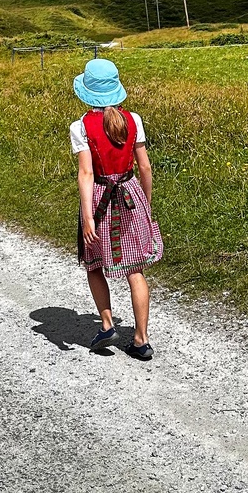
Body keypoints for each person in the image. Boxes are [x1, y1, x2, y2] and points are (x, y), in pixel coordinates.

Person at [70, 57, 162, 360]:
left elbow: (86, 174)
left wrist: (87, 218)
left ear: (87, 91)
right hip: (130, 194)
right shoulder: (132, 119)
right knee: (135, 270)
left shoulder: (81, 126)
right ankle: (141, 339)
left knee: (94, 263)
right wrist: (145, 205)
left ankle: (107, 323)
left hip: (99, 198)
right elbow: (145, 167)